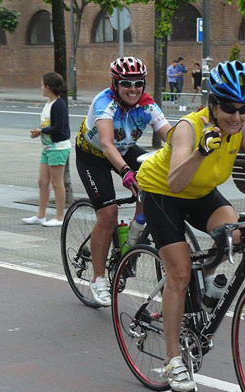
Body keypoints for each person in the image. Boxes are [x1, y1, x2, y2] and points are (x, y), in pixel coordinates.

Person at [136, 60, 245, 392]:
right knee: (178, 274)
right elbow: (175, 182)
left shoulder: (242, 125)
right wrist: (201, 153)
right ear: (213, 103)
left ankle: (205, 280)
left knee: (234, 234)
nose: (237, 116)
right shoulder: (190, 128)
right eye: (229, 108)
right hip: (164, 194)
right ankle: (174, 360)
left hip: (201, 193)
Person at [75, 57, 171, 307]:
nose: (133, 88)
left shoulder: (148, 105)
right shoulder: (104, 103)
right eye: (126, 83)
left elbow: (170, 136)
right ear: (115, 84)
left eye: (138, 83)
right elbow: (107, 144)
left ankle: (134, 235)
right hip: (94, 156)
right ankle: (97, 279)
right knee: (108, 215)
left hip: (125, 148)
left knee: (150, 183)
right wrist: (126, 171)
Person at [23, 72, 71, 227]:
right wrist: (40, 133)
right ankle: (40, 215)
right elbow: (49, 126)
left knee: (57, 183)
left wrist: (41, 131)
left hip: (58, 148)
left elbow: (58, 128)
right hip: (48, 147)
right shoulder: (49, 104)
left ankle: (59, 217)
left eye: (42, 85)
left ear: (48, 87)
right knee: (42, 181)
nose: (41, 87)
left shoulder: (59, 104)